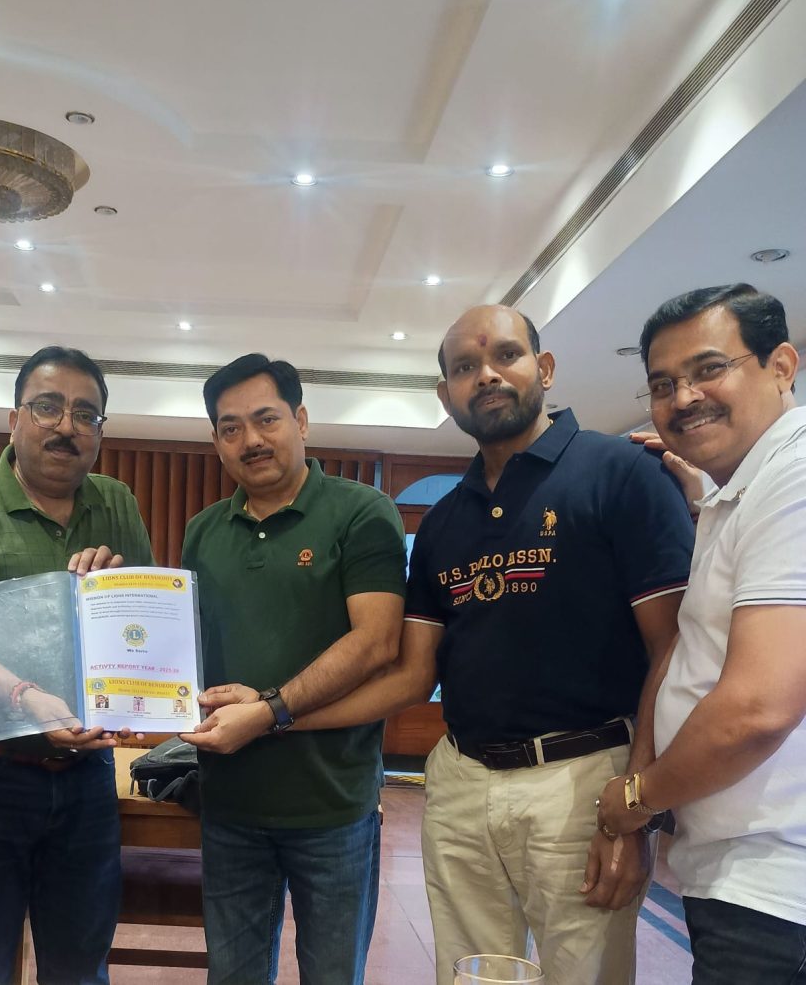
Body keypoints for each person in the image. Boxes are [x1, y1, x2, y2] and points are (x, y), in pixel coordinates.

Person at [248, 305, 696, 985]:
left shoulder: (622, 473)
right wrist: (277, 714)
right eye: (464, 367)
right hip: (460, 781)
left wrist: (636, 806)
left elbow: (672, 648)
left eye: (506, 355)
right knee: (468, 975)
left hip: (583, 780)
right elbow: (411, 676)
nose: (486, 375)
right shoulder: (443, 522)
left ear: (544, 368)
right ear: (445, 394)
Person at [0, 346, 153, 985]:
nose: (66, 426)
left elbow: (140, 631)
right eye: (48, 407)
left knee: (80, 967)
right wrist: (27, 700)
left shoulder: (116, 502)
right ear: (15, 418)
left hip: (87, 778)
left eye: (86, 414)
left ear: (99, 432)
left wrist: (117, 592)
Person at [595, 284, 806, 984]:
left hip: (779, 885)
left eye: (710, 369)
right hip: (746, 877)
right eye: (663, 383)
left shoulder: (796, 478)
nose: (684, 397)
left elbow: (757, 708)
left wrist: (638, 798)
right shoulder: (742, 491)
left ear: (781, 366)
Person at [179, 353, 406, 985]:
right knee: (232, 976)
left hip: (331, 804)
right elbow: (187, 651)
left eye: (266, 419)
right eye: (230, 428)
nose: (250, 439)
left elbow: (377, 641)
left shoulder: (361, 512)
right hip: (230, 802)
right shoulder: (202, 531)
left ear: (300, 420)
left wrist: (269, 709)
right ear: (217, 441)